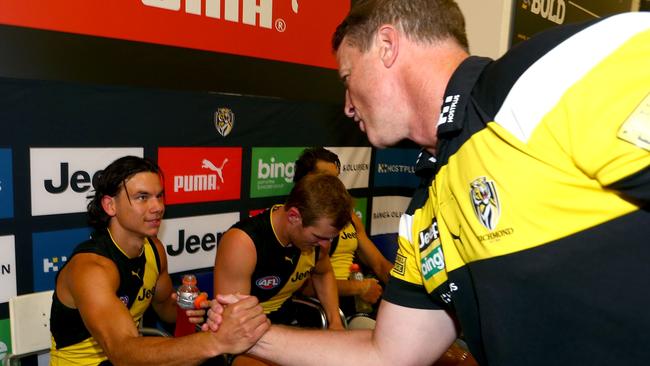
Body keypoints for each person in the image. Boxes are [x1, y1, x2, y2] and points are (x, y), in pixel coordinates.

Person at [208, 1, 650, 365]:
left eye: (347, 77)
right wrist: (248, 336)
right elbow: (389, 354)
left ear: (386, 45)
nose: (346, 105)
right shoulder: (426, 209)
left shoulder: (546, 77)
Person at [50, 156, 269, 365]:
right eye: (142, 197)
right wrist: (215, 341)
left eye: (159, 196)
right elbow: (123, 352)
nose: (158, 207)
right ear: (110, 206)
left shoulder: (154, 249)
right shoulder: (90, 268)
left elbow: (165, 308)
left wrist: (190, 306)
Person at [213, 173, 352, 365]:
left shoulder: (317, 242)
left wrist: (335, 321)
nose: (325, 244)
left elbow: (324, 272)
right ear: (294, 216)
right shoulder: (243, 243)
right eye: (319, 236)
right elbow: (234, 328)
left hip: (289, 327)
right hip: (246, 341)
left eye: (330, 238)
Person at [293, 147, 392, 317]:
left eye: (336, 179)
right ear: (306, 180)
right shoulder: (296, 221)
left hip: (356, 303)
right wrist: (358, 288)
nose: (334, 186)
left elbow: (379, 264)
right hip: (320, 308)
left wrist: (411, 291)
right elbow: (303, 286)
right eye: (325, 178)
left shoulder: (349, 216)